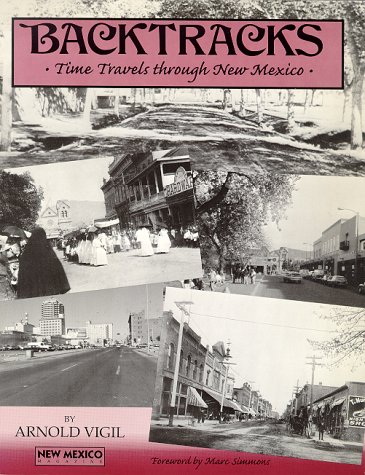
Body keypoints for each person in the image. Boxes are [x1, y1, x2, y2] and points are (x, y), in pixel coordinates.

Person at [17, 227, 70, 299]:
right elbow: (59, 273)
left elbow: (23, 279)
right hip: (51, 293)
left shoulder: (26, 255)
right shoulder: (49, 253)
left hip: (33, 295)